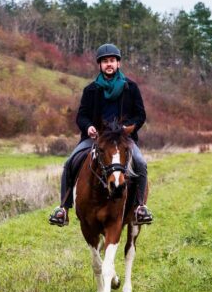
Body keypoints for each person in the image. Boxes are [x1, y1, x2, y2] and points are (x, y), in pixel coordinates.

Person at [49, 43, 153, 227]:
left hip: (123, 139)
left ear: (118, 63)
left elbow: (140, 115)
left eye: (112, 60)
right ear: (100, 65)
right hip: (95, 138)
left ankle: (140, 207)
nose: (109, 64)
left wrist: (128, 128)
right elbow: (81, 115)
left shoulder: (131, 87)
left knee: (141, 164)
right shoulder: (90, 90)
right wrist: (88, 127)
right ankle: (63, 209)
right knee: (70, 163)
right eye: (105, 61)